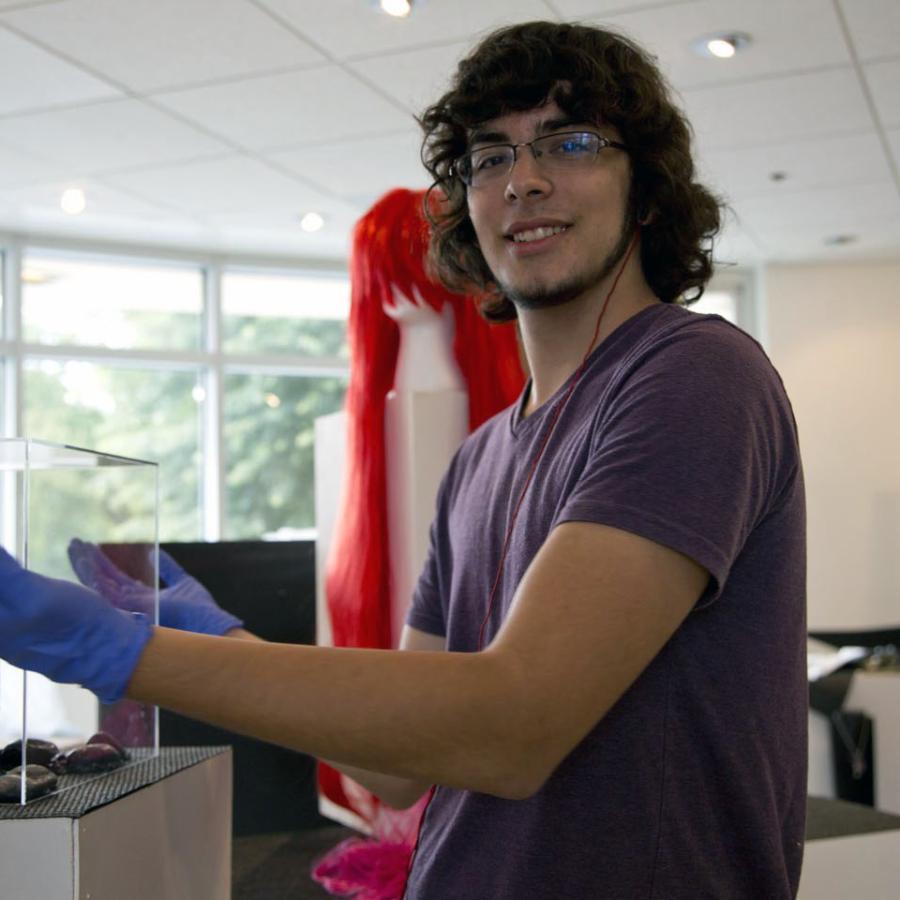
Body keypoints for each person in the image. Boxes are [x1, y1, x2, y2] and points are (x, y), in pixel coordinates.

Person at [0, 20, 807, 900]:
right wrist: (232, 640)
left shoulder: (694, 376)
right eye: (490, 156)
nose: (524, 180)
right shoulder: (476, 463)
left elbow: (513, 726)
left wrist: (118, 652)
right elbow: (394, 771)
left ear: (645, 187)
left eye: (569, 143)